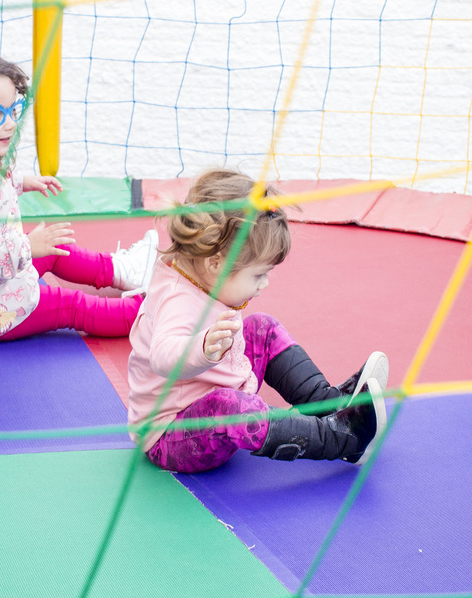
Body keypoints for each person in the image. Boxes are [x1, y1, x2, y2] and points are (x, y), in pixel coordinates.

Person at [127, 168, 390, 473]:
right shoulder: (178, 298)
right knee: (232, 409)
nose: (264, 284)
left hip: (206, 392)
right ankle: (341, 440)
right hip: (173, 437)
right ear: (215, 264)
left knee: (262, 327)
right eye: (258, 275)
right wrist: (202, 349)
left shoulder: (202, 273)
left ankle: (329, 404)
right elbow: (162, 358)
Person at [0, 47, 158, 342]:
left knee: (57, 250)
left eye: (12, 111)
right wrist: (29, 247)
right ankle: (145, 315)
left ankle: (121, 270)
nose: (10, 124)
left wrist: (22, 181)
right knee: (71, 306)